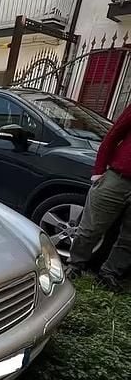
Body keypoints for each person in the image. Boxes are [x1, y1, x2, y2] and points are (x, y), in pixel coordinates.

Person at [69, 104, 131, 291]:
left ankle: (109, 274)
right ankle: (75, 266)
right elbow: (112, 136)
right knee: (91, 228)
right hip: (118, 178)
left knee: (129, 239)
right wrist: (98, 171)